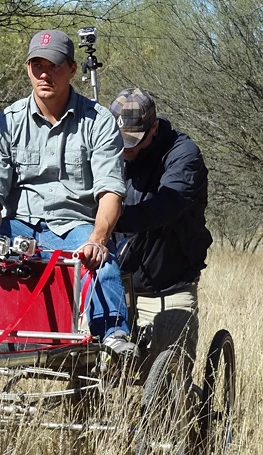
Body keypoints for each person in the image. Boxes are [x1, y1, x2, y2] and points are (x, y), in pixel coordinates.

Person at [0, 30, 137, 356]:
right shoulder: (5, 122)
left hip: (74, 227)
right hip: (18, 226)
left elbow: (111, 190)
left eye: (53, 65)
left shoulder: (98, 122)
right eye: (36, 65)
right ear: (27, 69)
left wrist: (97, 239)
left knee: (101, 262)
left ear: (71, 69)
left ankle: (112, 338)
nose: (44, 74)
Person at [109, 88, 212, 368]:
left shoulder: (183, 155)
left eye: (133, 141)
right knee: (85, 369)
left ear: (153, 128)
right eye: (119, 141)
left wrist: (110, 218)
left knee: (169, 380)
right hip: (113, 285)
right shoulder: (107, 149)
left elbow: (166, 207)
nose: (125, 148)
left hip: (168, 286)